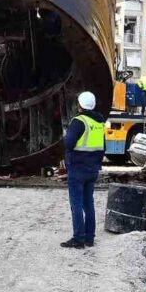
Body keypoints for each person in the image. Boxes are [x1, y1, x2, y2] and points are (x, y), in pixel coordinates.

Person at [61, 91, 106, 249]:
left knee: (77, 204)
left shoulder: (79, 122)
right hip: (92, 169)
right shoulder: (99, 123)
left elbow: (68, 143)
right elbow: (103, 147)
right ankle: (89, 238)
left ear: (79, 105)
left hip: (78, 168)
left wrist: (65, 137)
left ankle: (78, 239)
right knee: (89, 204)